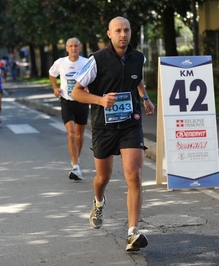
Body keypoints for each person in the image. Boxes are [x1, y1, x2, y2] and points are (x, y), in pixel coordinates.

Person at [71, 16, 155, 251]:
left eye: (126, 30)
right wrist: (100, 99)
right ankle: (99, 202)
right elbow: (76, 93)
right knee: (103, 178)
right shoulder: (96, 60)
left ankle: (132, 232)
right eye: (118, 30)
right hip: (103, 126)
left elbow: (135, 78)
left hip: (130, 123)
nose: (123, 35)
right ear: (109, 34)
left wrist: (145, 98)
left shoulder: (138, 57)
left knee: (134, 173)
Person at [49, 37, 89, 181]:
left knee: (79, 135)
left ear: (80, 47)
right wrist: (55, 88)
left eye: (76, 46)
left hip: (82, 101)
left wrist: (89, 88)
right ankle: (76, 166)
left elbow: (93, 78)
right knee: (71, 134)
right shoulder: (60, 63)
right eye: (70, 46)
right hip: (67, 101)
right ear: (66, 48)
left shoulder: (86, 62)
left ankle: (75, 160)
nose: (73, 49)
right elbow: (52, 74)